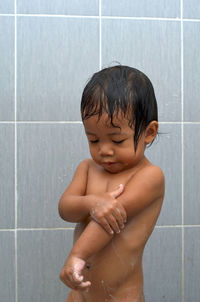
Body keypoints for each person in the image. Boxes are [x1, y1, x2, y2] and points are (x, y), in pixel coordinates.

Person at [58, 65, 165, 302]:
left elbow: (108, 222)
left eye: (117, 140)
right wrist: (92, 203)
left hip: (122, 296)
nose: (104, 150)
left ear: (149, 133)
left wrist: (77, 256)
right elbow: (65, 208)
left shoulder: (149, 176)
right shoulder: (87, 168)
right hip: (79, 294)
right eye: (93, 139)